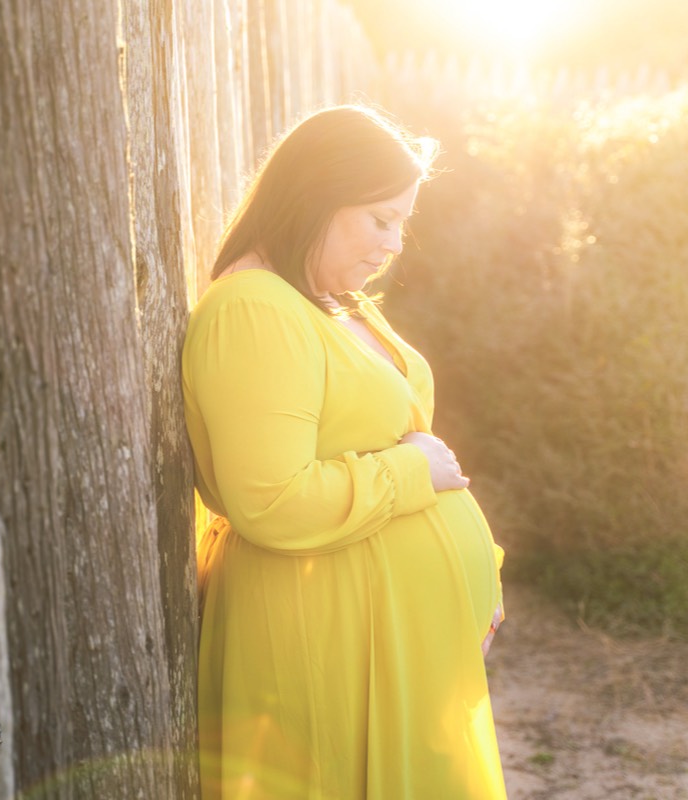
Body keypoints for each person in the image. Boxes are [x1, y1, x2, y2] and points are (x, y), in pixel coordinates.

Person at [183, 105, 507, 799]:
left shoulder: (331, 302)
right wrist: (412, 472)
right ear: (316, 196)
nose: (394, 245)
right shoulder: (255, 311)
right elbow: (271, 500)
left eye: (402, 224)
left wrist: (478, 585)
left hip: (387, 640)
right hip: (321, 635)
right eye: (380, 219)